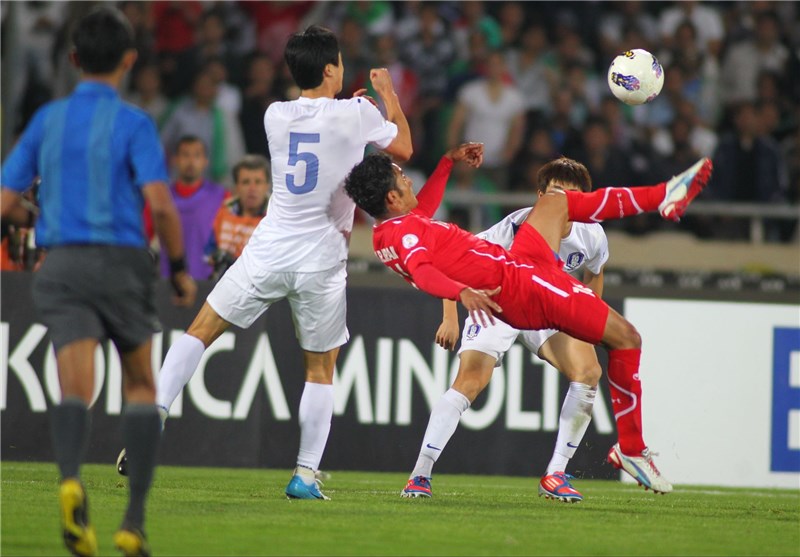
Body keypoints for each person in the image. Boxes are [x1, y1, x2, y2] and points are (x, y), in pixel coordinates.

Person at [118, 25, 413, 500]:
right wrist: (386, 96)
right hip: (322, 259)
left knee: (200, 330)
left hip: (270, 244)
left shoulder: (276, 116)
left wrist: (359, 112)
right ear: (332, 68)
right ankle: (304, 475)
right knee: (320, 371)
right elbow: (403, 149)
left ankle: (154, 411)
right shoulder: (357, 113)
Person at [344, 147, 714, 496]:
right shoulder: (406, 234)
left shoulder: (397, 228)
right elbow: (423, 272)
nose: (409, 181)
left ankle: (663, 194)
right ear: (391, 198)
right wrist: (460, 295)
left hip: (522, 265)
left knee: (556, 202)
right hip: (517, 288)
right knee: (627, 338)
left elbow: (423, 210)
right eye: (402, 178)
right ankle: (631, 449)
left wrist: (446, 162)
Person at [0, 7, 197, 557]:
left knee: (74, 388)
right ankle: (132, 521)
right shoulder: (134, 122)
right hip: (120, 263)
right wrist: (179, 269)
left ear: (72, 59)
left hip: (60, 264)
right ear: (129, 60)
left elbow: (5, 199)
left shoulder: (47, 120)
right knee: (139, 385)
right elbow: (161, 205)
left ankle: (69, 480)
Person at [407, 170, 610, 503]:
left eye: (569, 194)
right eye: (554, 192)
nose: (560, 200)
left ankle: (556, 473)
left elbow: (595, 272)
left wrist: (589, 319)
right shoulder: (513, 228)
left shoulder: (592, 235)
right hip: (496, 303)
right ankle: (420, 474)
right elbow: (452, 263)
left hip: (545, 304)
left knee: (588, 373)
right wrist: (450, 317)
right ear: (540, 195)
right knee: (470, 382)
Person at [160, 135, 227, 280]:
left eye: (197, 155)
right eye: (185, 155)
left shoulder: (223, 198)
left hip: (209, 282)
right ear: (175, 160)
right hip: (168, 281)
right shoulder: (161, 199)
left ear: (205, 161)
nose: (191, 162)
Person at [206, 154, 271, 280]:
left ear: (267, 185)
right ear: (236, 187)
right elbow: (207, 252)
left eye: (258, 182)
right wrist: (216, 257)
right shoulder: (224, 212)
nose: (252, 189)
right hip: (223, 285)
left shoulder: (276, 218)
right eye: (246, 182)